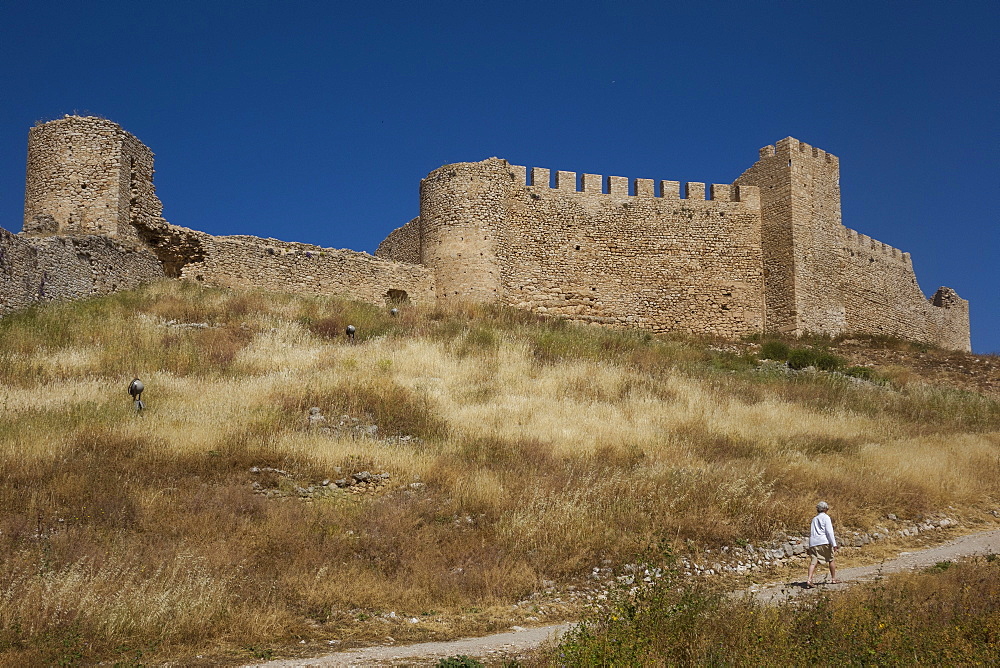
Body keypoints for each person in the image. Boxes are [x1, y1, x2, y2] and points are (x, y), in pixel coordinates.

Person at [806, 501, 838, 587]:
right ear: (825, 509)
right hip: (824, 541)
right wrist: (834, 544)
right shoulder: (826, 517)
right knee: (831, 559)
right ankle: (833, 579)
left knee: (814, 561)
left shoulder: (814, 519)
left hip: (813, 542)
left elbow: (812, 532)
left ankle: (809, 579)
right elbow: (829, 532)